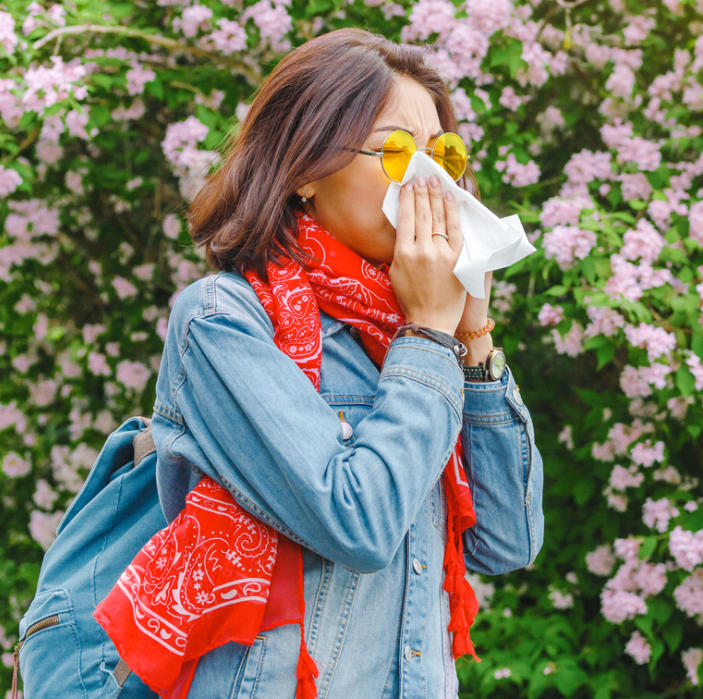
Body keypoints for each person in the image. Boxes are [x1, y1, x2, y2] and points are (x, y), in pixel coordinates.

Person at [95, 27, 545, 698]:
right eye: (395, 151)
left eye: (441, 155)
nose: (428, 181)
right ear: (305, 168)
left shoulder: (412, 335)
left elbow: (508, 542)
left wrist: (471, 334)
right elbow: (354, 521)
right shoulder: (224, 319)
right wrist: (428, 333)